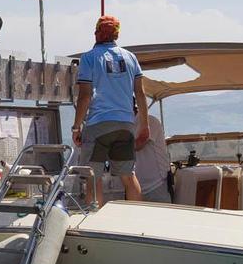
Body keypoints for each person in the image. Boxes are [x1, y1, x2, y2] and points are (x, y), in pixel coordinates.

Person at [72, 15, 149, 205]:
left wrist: (76, 127)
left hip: (99, 124)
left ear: (97, 32)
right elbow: (140, 94)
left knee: (93, 176)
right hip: (126, 124)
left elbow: (85, 96)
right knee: (128, 176)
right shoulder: (131, 58)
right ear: (116, 34)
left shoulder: (88, 58)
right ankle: (136, 218)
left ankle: (93, 219)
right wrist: (144, 125)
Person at [134, 114, 173, 203]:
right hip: (139, 187)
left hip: (156, 185)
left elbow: (138, 144)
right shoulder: (128, 126)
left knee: (162, 216)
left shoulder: (149, 120)